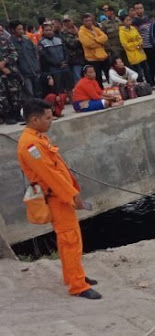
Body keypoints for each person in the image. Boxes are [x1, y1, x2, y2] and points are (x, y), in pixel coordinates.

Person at [17, 99, 102, 299]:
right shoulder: (30, 145)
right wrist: (73, 196)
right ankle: (77, 285)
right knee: (69, 240)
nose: (51, 120)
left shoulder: (38, 138)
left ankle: (74, 275)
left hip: (60, 196)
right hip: (57, 197)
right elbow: (50, 175)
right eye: (47, 118)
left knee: (70, 239)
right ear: (34, 119)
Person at [119, 15, 155, 87]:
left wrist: (139, 44)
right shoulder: (122, 32)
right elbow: (125, 44)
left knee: (146, 69)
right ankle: (141, 85)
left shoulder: (133, 28)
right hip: (132, 54)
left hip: (140, 52)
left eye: (130, 20)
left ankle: (150, 84)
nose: (129, 22)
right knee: (138, 71)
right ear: (123, 22)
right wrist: (136, 45)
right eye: (127, 20)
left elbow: (139, 38)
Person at [132, 2, 155, 89]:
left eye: (141, 8)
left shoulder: (146, 18)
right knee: (147, 66)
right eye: (137, 8)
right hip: (143, 46)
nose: (139, 10)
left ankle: (154, 81)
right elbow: (136, 35)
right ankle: (150, 83)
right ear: (135, 10)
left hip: (152, 44)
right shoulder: (135, 21)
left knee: (153, 64)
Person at [39, 23, 74, 95]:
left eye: (50, 30)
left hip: (65, 66)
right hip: (54, 69)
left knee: (69, 87)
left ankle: (73, 102)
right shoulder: (41, 42)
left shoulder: (59, 39)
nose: (49, 32)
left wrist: (66, 61)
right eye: (47, 30)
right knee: (58, 89)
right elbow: (45, 56)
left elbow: (66, 51)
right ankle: (61, 103)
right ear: (43, 31)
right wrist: (58, 64)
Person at [9, 20, 41, 98]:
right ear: (13, 30)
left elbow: (35, 54)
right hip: (23, 74)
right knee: (29, 95)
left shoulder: (27, 41)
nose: (22, 31)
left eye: (22, 29)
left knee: (39, 93)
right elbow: (12, 61)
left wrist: (37, 67)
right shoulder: (10, 43)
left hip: (34, 71)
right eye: (19, 29)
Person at [78, 14, 110, 88]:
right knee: (98, 78)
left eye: (90, 20)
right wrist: (100, 41)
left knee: (109, 74)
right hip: (92, 58)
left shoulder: (95, 28)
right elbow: (88, 44)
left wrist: (96, 40)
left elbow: (105, 37)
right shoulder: (81, 32)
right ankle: (100, 93)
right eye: (86, 21)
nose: (89, 22)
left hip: (103, 56)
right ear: (83, 22)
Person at [0, 33, 23, 124]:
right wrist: (1, 68)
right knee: (3, 96)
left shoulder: (5, 40)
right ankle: (7, 116)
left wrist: (5, 62)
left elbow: (14, 54)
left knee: (15, 93)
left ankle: (17, 113)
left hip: (10, 72)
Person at [60, 16, 86, 84]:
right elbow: (72, 44)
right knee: (77, 78)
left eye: (68, 21)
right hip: (73, 59)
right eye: (65, 22)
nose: (67, 23)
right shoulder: (63, 33)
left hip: (83, 57)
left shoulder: (79, 30)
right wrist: (80, 39)